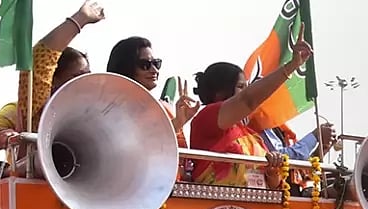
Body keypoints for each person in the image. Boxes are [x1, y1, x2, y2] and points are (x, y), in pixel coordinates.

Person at [188, 33, 312, 188]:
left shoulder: (252, 135)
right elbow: (247, 100)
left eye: (247, 87)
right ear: (220, 92)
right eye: (241, 87)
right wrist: (291, 66)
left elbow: (273, 186)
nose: (247, 91)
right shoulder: (206, 118)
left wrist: (272, 171)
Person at [0, 2, 103, 149]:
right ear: (52, 80)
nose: (85, 82)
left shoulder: (94, 113)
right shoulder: (29, 109)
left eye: (87, 76)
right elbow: (40, 60)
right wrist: (80, 19)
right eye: (77, 76)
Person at [106, 36, 197, 146]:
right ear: (126, 68)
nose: (154, 70)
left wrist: (179, 122)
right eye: (145, 65)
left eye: (156, 63)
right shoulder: (109, 110)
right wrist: (176, 124)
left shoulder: (164, 108)